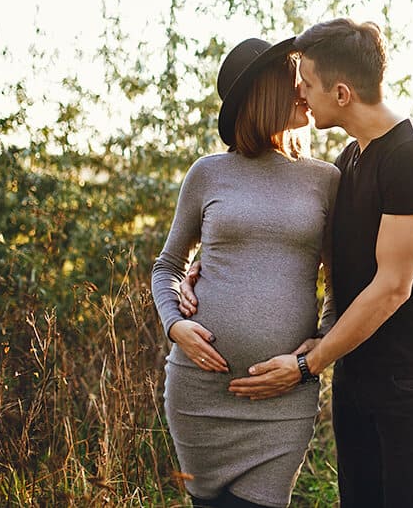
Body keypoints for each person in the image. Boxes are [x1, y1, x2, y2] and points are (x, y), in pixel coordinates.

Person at [182, 19, 413, 508]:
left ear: (340, 92)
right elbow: (313, 256)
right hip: (356, 373)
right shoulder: (348, 160)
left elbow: (392, 287)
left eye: (306, 82)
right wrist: (207, 272)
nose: (298, 92)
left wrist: (307, 364)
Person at [151, 36, 340, 508]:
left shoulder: (325, 180)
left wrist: (321, 342)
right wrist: (175, 325)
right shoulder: (207, 174)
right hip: (199, 393)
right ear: (266, 91)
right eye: (293, 76)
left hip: (282, 400)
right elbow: (169, 265)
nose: (303, 86)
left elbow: (342, 281)